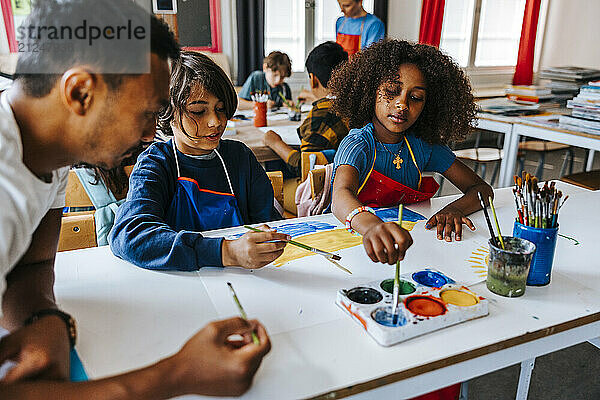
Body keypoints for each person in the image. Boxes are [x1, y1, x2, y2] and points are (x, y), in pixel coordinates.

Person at [0, 1, 270, 398]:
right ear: (80, 92)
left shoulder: (49, 152)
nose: (149, 134)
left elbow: (33, 265)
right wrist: (177, 374)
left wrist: (45, 319)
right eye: (146, 114)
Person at [109, 51, 288, 271]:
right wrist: (226, 252)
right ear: (167, 111)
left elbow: (265, 224)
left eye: (220, 109)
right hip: (180, 283)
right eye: (198, 111)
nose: (215, 121)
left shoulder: (240, 158)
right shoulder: (155, 164)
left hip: (244, 279)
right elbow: (130, 235)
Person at [329, 39, 493, 266]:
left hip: (412, 249)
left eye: (415, 98)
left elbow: (482, 190)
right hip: (355, 247)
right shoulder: (358, 144)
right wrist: (371, 226)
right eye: (391, 92)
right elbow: (340, 195)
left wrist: (454, 209)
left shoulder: (423, 146)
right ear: (369, 91)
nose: (402, 104)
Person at [263, 41, 350, 178]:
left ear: (313, 79)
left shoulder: (321, 117)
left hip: (325, 188)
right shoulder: (354, 105)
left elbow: (305, 168)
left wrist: (275, 143)